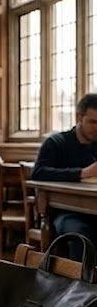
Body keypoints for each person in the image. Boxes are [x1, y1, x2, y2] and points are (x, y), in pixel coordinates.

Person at [31, 93, 97, 259]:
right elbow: (38, 173)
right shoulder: (56, 143)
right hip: (64, 212)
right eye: (93, 122)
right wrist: (82, 173)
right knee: (82, 235)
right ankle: (79, 284)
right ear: (78, 117)